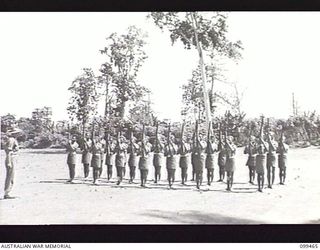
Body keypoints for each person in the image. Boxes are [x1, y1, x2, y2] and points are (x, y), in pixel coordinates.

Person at [3, 129, 19, 199]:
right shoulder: (12, 140)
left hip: (11, 158)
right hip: (11, 158)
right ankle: (7, 193)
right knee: (10, 176)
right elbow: (9, 151)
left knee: (10, 176)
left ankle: (7, 192)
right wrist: (9, 162)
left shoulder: (11, 139)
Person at [193, 121, 206, 189]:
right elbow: (194, 149)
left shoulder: (204, 143)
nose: (200, 137)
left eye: (201, 137)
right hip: (196, 158)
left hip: (202, 158)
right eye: (199, 136)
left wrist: (199, 141)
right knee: (197, 171)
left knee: (201, 171)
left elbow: (203, 147)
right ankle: (197, 182)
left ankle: (200, 181)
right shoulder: (196, 144)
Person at [205, 122, 217, 186]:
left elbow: (216, 151)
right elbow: (208, 139)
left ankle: (211, 179)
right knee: (208, 170)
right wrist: (209, 128)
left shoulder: (215, 145)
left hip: (212, 157)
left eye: (213, 138)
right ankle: (208, 181)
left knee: (212, 170)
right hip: (208, 157)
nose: (212, 139)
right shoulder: (208, 144)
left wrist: (215, 154)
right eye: (211, 138)